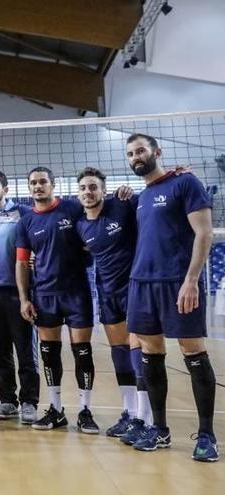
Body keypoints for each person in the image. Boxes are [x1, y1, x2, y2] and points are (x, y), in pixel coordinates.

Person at [124, 133, 218, 461]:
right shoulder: (142, 196)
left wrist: (191, 280)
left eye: (141, 150)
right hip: (141, 283)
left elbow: (204, 233)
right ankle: (159, 429)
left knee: (193, 351)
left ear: (156, 151)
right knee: (150, 352)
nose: (136, 156)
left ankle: (207, 435)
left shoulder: (186, 183)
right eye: (131, 153)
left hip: (177, 282)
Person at [15, 166, 99, 433]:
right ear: (29, 188)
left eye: (42, 182)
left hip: (77, 293)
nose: (37, 186)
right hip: (44, 294)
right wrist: (23, 298)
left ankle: (85, 411)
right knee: (49, 353)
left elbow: (98, 214)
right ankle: (55, 409)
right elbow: (21, 263)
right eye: (33, 183)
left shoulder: (73, 208)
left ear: (53, 184)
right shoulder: (26, 221)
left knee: (82, 351)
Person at [74, 167, 152, 438]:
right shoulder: (81, 225)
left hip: (133, 288)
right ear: (78, 193)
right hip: (106, 293)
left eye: (93, 187)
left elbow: (153, 200)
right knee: (119, 351)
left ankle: (145, 417)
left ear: (103, 190)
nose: (88, 191)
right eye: (84, 188)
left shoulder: (122, 204)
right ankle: (130, 413)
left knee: (138, 353)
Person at [0, 169, 40, 424]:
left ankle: (29, 402)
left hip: (20, 290)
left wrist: (39, 258)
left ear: (6, 189)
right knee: (0, 349)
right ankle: (7, 401)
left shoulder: (23, 214)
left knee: (25, 349)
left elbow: (41, 237)